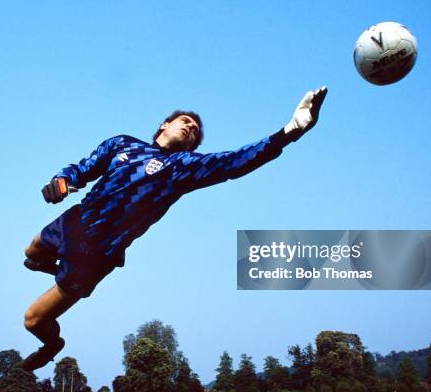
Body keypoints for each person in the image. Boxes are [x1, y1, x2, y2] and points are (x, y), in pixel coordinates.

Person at [21, 86, 328, 370]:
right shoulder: (121, 143)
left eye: (195, 131)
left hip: (95, 254)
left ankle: (53, 343)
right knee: (32, 253)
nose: (190, 128)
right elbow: (83, 169)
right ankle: (51, 266)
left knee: (33, 320)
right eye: (185, 121)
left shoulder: (182, 167)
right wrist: (62, 181)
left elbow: (236, 161)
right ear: (164, 125)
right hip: (75, 220)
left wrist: (291, 131)